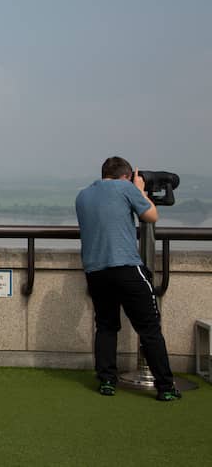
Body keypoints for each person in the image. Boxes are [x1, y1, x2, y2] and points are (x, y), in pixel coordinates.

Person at [75, 156, 180, 401]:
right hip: (126, 267)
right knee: (150, 328)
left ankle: (107, 382)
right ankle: (165, 386)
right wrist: (140, 190)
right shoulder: (125, 188)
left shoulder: (83, 195)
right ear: (125, 175)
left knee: (106, 325)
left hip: (95, 270)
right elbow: (151, 216)